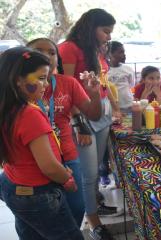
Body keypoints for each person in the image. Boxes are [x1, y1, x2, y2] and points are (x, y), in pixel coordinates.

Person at [0, 47, 84, 239]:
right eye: (40, 78)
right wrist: (66, 178)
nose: (46, 84)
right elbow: (48, 166)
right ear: (18, 80)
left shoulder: (7, 107)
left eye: (47, 78)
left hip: (12, 182)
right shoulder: (29, 114)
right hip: (38, 193)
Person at [27, 37, 103, 227]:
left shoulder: (68, 83)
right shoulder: (18, 86)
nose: (46, 56)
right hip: (31, 162)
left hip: (67, 157)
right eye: (39, 51)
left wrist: (94, 94)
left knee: (76, 208)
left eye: (52, 53)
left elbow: (93, 115)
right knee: (36, 217)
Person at [58, 8, 118, 239]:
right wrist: (77, 122)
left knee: (96, 167)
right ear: (90, 27)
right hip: (82, 115)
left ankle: (93, 205)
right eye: (105, 31)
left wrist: (113, 108)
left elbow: (102, 83)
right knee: (89, 173)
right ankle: (94, 223)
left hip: (101, 110)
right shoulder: (68, 49)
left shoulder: (95, 48)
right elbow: (66, 88)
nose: (109, 37)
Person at [108, 41, 135, 112]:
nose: (124, 55)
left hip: (128, 104)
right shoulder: (105, 71)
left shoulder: (128, 69)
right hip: (112, 107)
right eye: (120, 52)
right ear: (110, 54)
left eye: (124, 52)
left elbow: (131, 85)